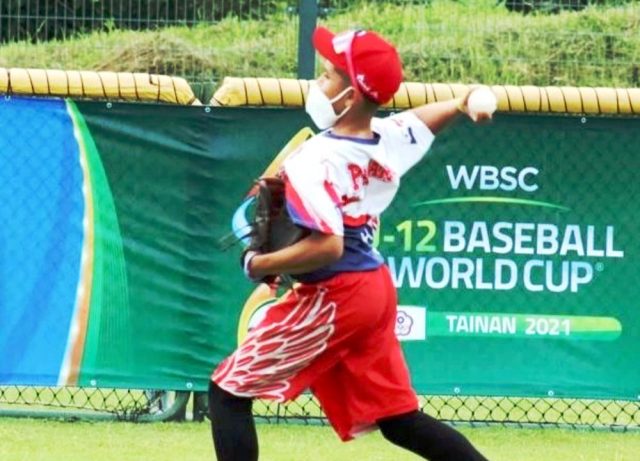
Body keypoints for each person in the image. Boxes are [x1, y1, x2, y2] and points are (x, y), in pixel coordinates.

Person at [208, 26, 491, 461]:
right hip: (374, 288)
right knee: (398, 419)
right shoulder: (385, 138)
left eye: (327, 76)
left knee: (228, 389)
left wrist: (262, 263)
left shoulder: (315, 160)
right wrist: (461, 101)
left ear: (352, 94)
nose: (317, 85)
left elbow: (328, 246)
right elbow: (423, 119)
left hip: (337, 291)